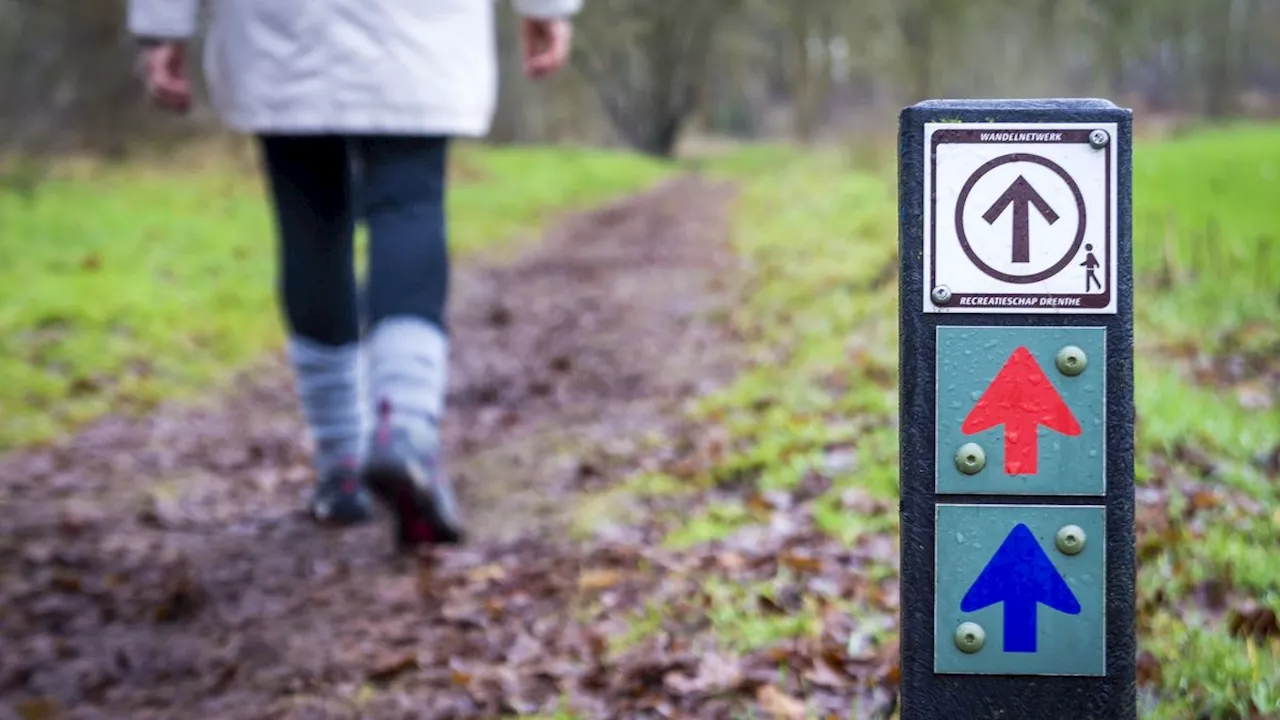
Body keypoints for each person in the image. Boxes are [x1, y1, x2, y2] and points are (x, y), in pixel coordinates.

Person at [127, 0, 581, 550]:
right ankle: (403, 427)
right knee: (408, 204)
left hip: (279, 26)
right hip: (416, 25)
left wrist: (161, 25)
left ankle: (341, 460)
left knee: (309, 225)